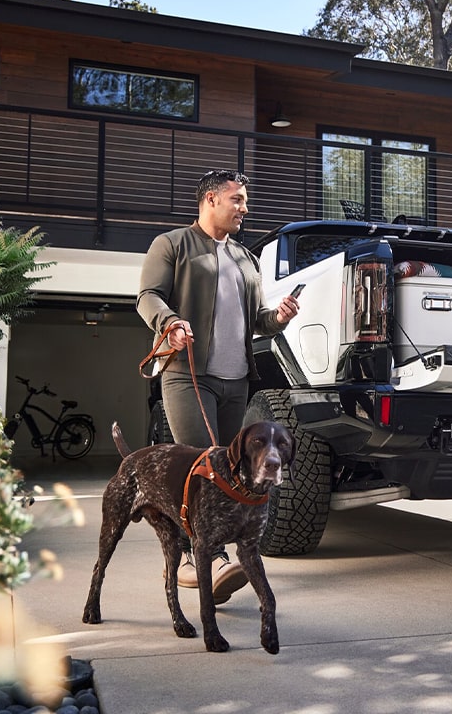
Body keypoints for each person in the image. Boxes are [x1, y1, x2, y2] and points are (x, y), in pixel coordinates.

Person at [136, 169, 300, 604]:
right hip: (189, 372)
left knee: (231, 469)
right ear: (211, 199)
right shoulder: (172, 245)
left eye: (244, 200)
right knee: (202, 461)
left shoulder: (247, 258)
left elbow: (256, 320)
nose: (244, 208)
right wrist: (169, 322)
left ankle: (221, 550)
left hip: (236, 378)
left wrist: (278, 317)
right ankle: (198, 557)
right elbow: (148, 295)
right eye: (238, 200)